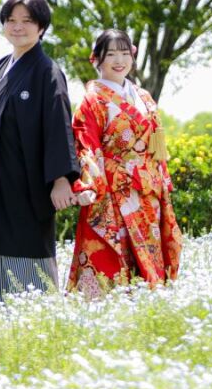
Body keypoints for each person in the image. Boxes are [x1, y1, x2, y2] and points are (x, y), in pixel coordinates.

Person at [0, 0, 80, 305]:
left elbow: (58, 125)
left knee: (25, 240)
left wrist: (60, 179)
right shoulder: (2, 66)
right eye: (11, 20)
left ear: (41, 27)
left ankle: (35, 307)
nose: (18, 27)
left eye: (27, 21)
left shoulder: (46, 71)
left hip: (26, 180)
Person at [67, 29, 183, 298]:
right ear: (96, 59)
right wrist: (87, 184)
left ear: (132, 56)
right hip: (111, 188)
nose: (118, 60)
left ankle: (149, 301)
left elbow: (157, 145)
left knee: (150, 251)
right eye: (110, 55)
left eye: (124, 53)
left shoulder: (144, 96)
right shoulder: (92, 100)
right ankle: (106, 307)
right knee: (113, 249)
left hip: (147, 189)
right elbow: (87, 145)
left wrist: (162, 181)